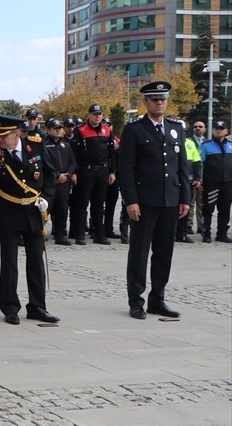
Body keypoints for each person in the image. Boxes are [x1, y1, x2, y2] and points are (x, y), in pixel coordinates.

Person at [0, 113, 59, 326]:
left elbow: (50, 175)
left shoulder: (36, 145)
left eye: (4, 136)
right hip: (8, 210)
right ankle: (10, 307)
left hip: (33, 210)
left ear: (18, 133)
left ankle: (38, 307)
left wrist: (47, 200)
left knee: (35, 261)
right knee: (9, 263)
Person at [119, 82, 191, 319]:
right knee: (139, 252)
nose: (159, 103)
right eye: (154, 99)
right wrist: (131, 200)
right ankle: (136, 300)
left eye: (163, 99)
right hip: (144, 201)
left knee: (164, 252)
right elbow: (126, 169)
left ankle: (157, 299)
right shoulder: (134, 130)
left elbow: (182, 167)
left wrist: (185, 198)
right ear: (146, 103)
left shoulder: (176, 129)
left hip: (170, 200)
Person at [70, 103, 115, 245]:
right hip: (86, 170)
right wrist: (74, 172)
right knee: (82, 203)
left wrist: (112, 171)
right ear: (89, 115)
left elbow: (112, 153)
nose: (97, 117)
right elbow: (74, 154)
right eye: (95, 114)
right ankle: (80, 234)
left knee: (98, 204)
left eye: (99, 114)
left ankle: (99, 235)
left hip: (102, 170)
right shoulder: (80, 130)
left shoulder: (107, 130)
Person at [41, 118, 77, 246]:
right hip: (49, 183)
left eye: (59, 128)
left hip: (64, 183)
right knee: (45, 209)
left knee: (62, 209)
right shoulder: (43, 145)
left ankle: (60, 235)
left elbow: (72, 161)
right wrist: (56, 175)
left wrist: (69, 173)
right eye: (55, 128)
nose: (58, 130)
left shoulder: (66, 145)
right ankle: (40, 233)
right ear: (48, 130)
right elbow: (45, 163)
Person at [200, 120, 232, 242]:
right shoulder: (205, 145)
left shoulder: (231, 145)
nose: (219, 130)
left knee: (225, 210)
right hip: (211, 183)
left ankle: (222, 234)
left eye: (221, 128)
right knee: (208, 209)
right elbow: (200, 164)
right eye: (217, 128)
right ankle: (206, 233)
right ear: (213, 130)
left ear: (226, 131)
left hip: (228, 183)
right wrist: (201, 181)